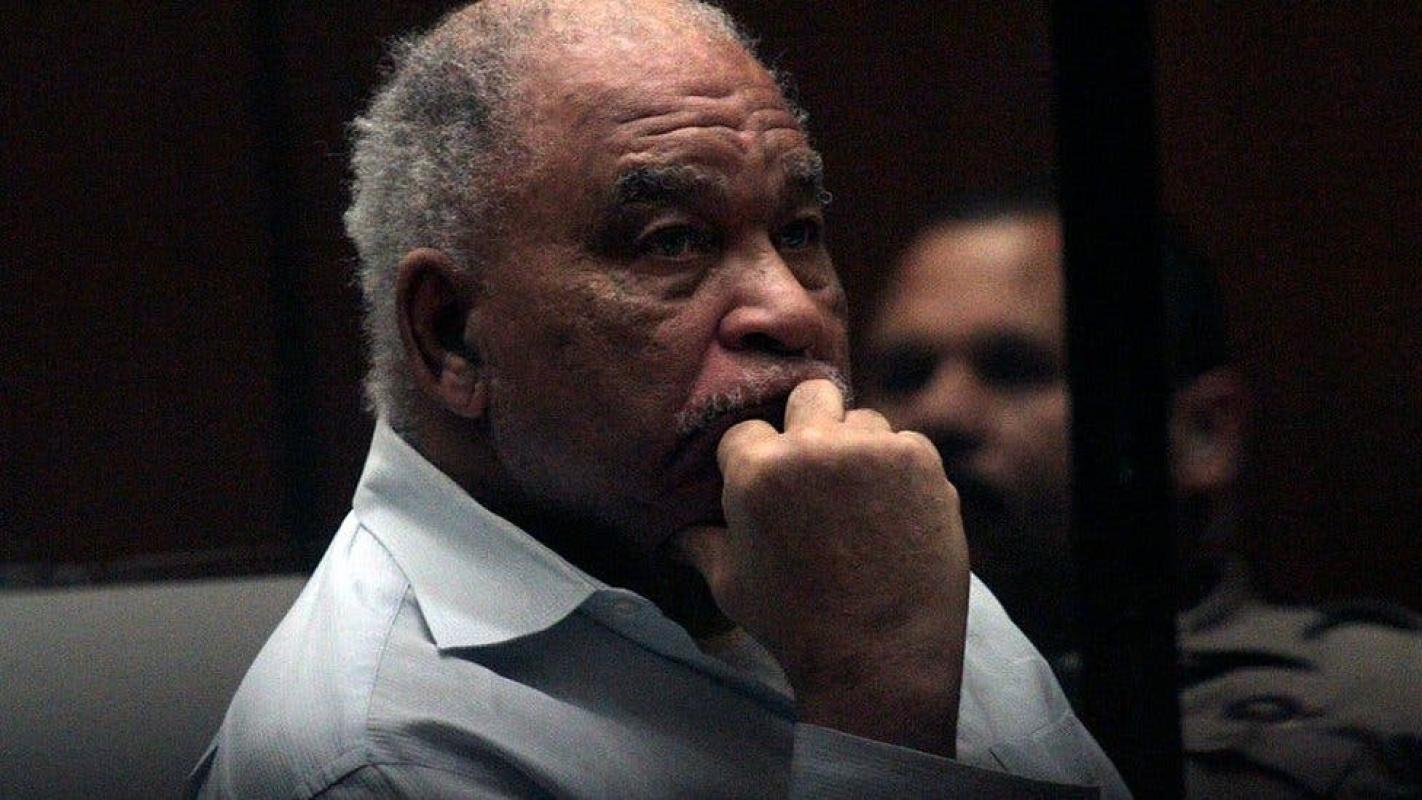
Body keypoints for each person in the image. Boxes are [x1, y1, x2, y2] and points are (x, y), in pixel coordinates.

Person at [189, 3, 1128, 797]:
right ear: (453, 336)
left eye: (800, 231)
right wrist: (875, 705)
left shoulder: (849, 536)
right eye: (672, 241)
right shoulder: (379, 752)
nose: (791, 310)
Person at [863, 182, 1422, 799]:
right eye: (905, 375)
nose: (939, 414)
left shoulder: (1389, 699)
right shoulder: (816, 694)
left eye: (1016, 370)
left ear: (1202, 432)